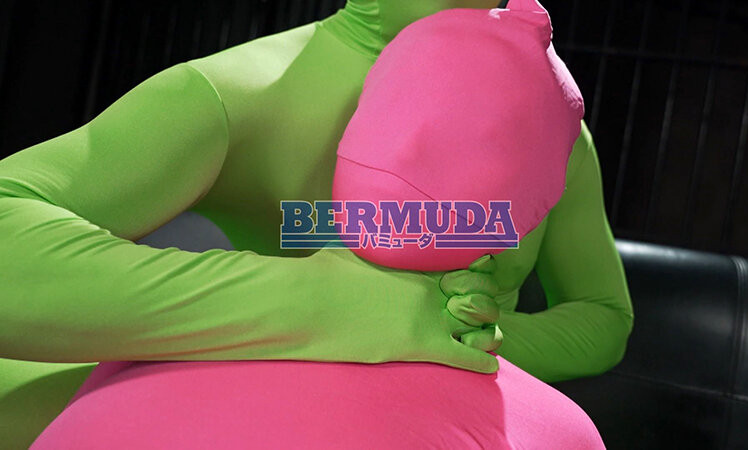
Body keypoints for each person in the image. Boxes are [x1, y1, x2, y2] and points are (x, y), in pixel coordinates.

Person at [0, 0, 633, 447]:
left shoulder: (552, 124)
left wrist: (466, 337)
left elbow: (604, 314)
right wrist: (318, 303)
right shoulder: (243, 93)